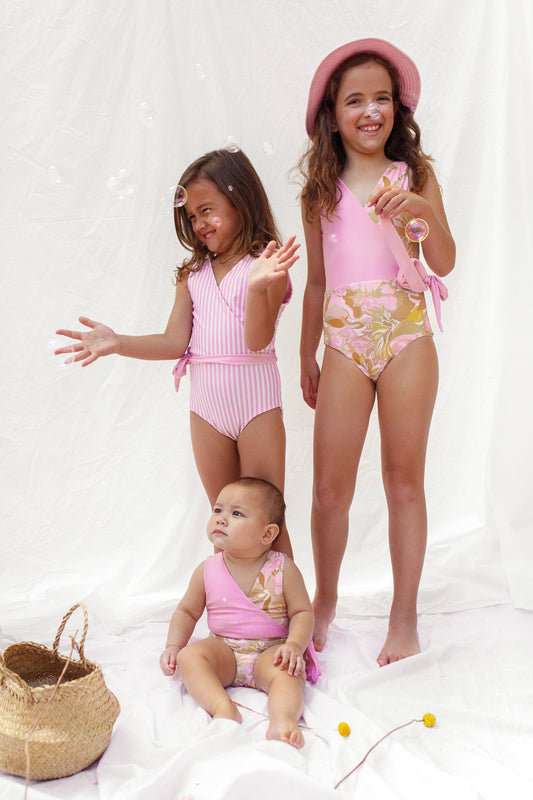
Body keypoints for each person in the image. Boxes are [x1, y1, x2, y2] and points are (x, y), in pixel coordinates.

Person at [55, 148, 299, 556]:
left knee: (266, 523)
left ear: (240, 200)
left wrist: (258, 288)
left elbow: (257, 340)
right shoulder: (193, 275)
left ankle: (290, 614)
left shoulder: (266, 264)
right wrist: (118, 343)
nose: (199, 223)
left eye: (207, 210)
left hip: (256, 405)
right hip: (206, 411)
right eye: (192, 216)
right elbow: (173, 342)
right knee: (225, 526)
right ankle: (234, 614)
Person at [298, 38, 455, 665]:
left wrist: (419, 209)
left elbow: (443, 260)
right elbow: (315, 282)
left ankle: (404, 615)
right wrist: (307, 355)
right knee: (329, 492)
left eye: (382, 99)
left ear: (397, 108)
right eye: (355, 100)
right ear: (332, 114)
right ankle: (325, 602)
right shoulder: (320, 187)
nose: (370, 111)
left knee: (402, 482)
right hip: (344, 339)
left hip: (406, 334)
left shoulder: (413, 175)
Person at [160, 477, 320, 749]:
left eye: (236, 513)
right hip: (224, 651)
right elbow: (186, 612)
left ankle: (282, 720)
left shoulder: (283, 569)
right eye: (218, 510)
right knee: (190, 657)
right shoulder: (207, 569)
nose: (221, 519)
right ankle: (223, 707)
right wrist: (174, 646)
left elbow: (303, 612)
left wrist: (294, 645)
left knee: (289, 673)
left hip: (270, 652)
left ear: (267, 534)